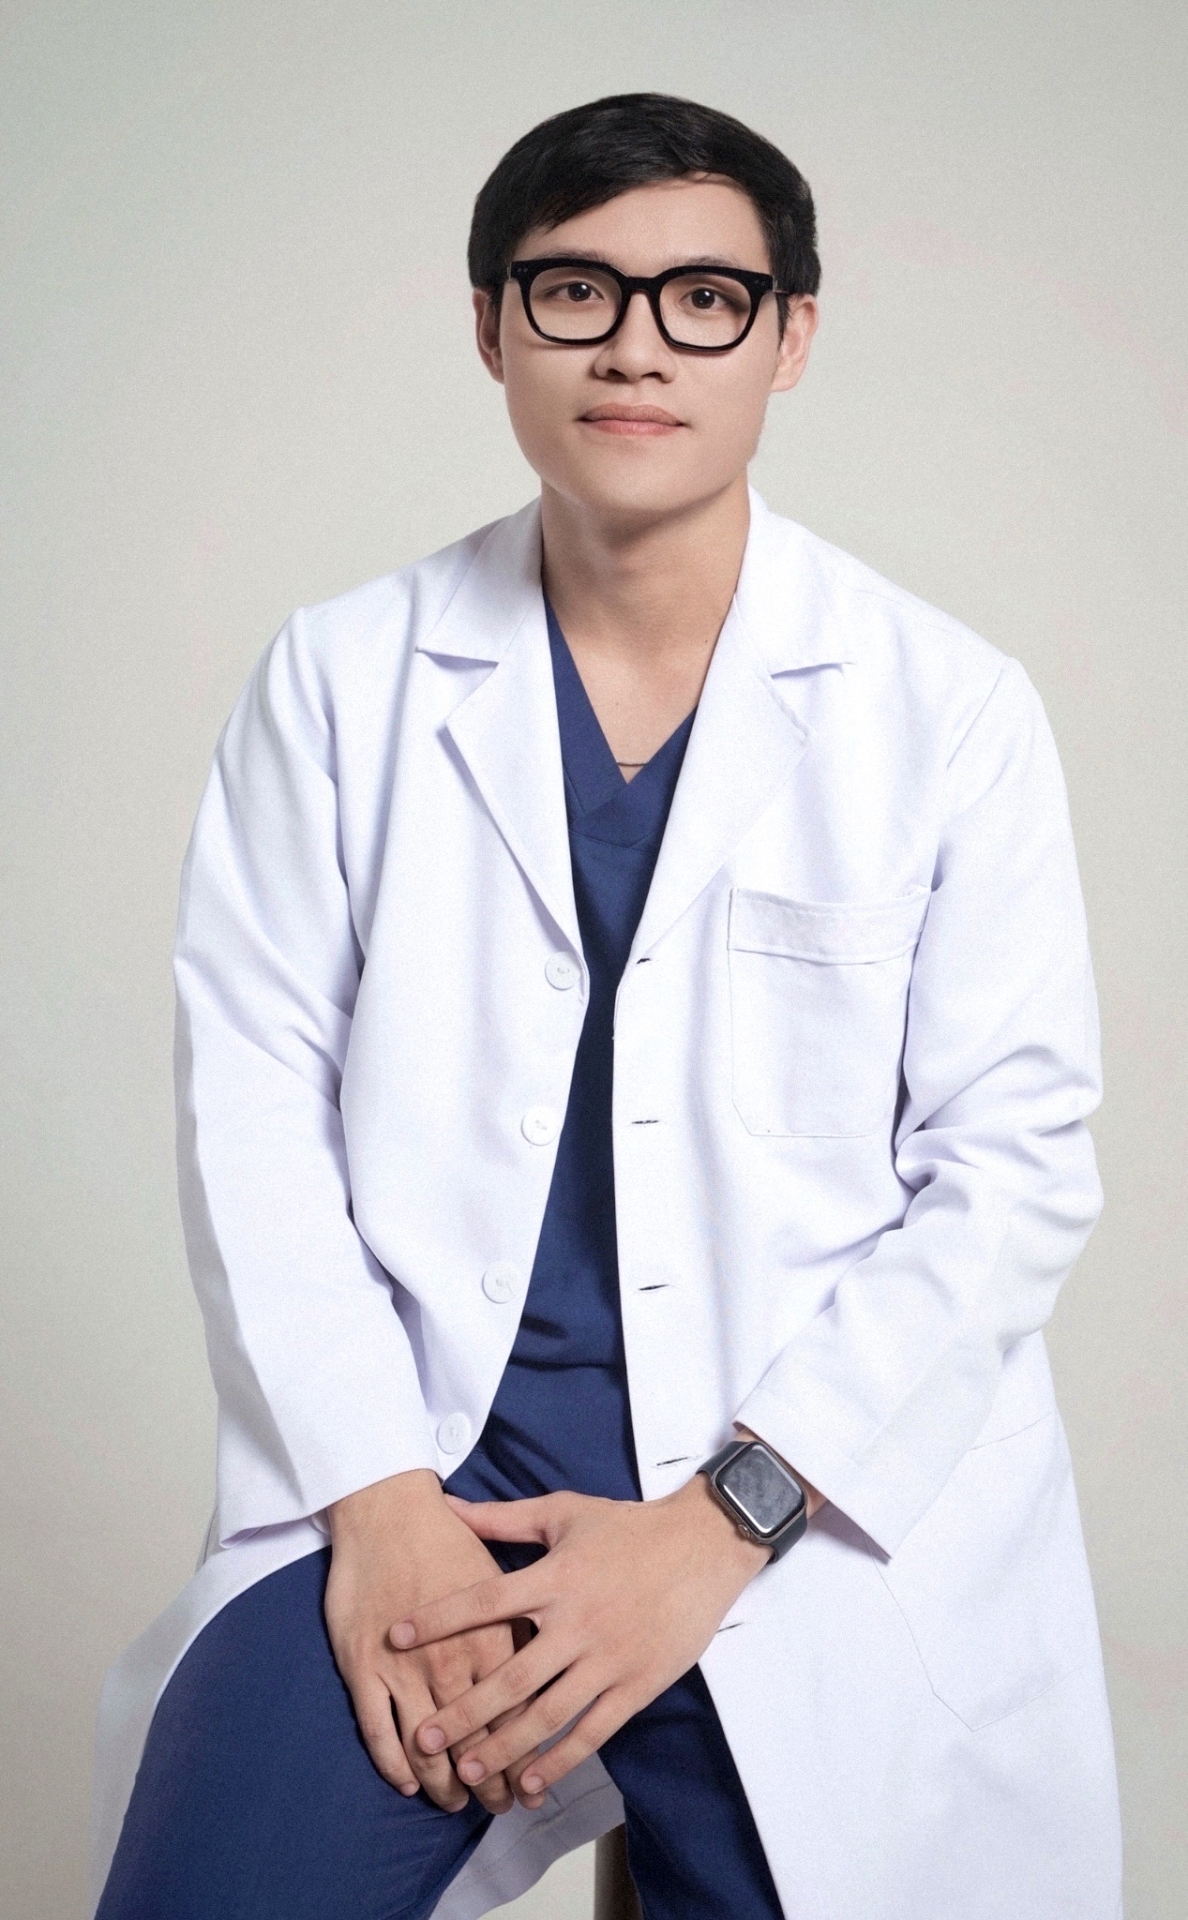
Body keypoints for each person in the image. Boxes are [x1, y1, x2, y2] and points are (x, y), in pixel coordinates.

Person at [91, 92, 1122, 1920]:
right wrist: (381, 1504)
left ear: (790, 339)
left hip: (803, 1498)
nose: (638, 346)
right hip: (436, 1470)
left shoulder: (945, 709)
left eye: (705, 299)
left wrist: (721, 1528)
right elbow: (251, 1109)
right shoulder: (340, 681)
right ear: (492, 326)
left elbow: (1013, 1171)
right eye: (576, 290)